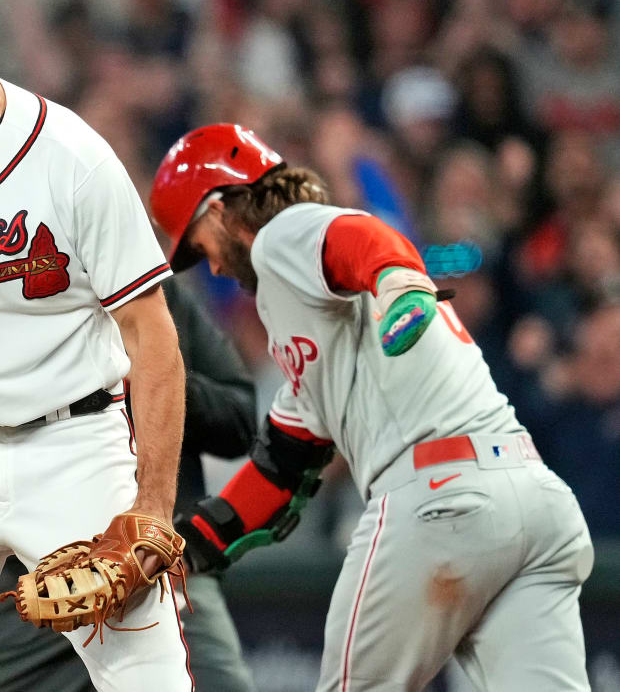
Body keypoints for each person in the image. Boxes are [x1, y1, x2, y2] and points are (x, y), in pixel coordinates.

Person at [150, 123, 594, 692]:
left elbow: (358, 235)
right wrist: (183, 549)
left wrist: (400, 283)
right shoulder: (322, 340)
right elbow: (281, 466)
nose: (210, 266)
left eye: (199, 246)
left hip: (440, 500)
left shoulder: (282, 235)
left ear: (217, 210)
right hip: (535, 502)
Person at [0, 78, 191, 690]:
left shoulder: (71, 158)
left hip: (70, 442)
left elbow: (152, 338)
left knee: (148, 677)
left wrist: (154, 508)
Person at [0, 274, 257, 692]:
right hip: (35, 583)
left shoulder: (152, 292)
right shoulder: (25, 289)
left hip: (162, 564)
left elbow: (241, 417)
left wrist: (153, 376)